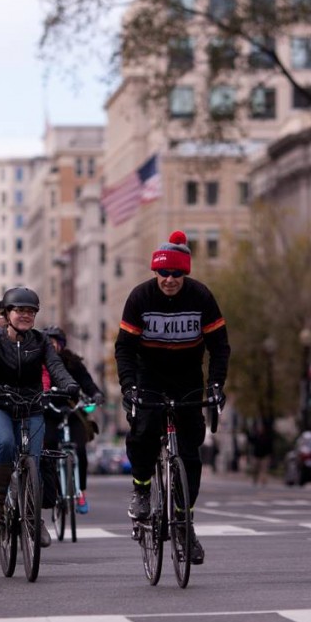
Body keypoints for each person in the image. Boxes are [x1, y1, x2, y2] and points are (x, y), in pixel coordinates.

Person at [115, 230, 230, 565]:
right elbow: (124, 348)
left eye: (176, 274)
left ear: (186, 274)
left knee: (191, 453)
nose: (169, 279)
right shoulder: (140, 298)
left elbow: (219, 346)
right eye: (163, 273)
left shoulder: (201, 298)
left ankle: (184, 524)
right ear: (155, 272)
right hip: (148, 373)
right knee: (143, 430)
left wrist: (217, 384)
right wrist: (128, 386)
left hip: (187, 377)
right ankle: (140, 490)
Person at [0, 287, 79, 548]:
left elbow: (55, 366)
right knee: (6, 444)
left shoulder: (40, 340)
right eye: (20, 310)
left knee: (34, 459)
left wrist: (69, 384)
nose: (26, 315)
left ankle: (33, 517)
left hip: (31, 406)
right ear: (8, 313)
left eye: (31, 311)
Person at [41, 325, 105, 514]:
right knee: (49, 447)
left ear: (61, 344)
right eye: (47, 342)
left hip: (72, 411)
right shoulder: (38, 362)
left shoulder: (73, 362)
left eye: (54, 342)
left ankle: (81, 491)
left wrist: (96, 394)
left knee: (80, 449)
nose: (51, 346)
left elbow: (87, 382)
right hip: (49, 412)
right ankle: (54, 490)